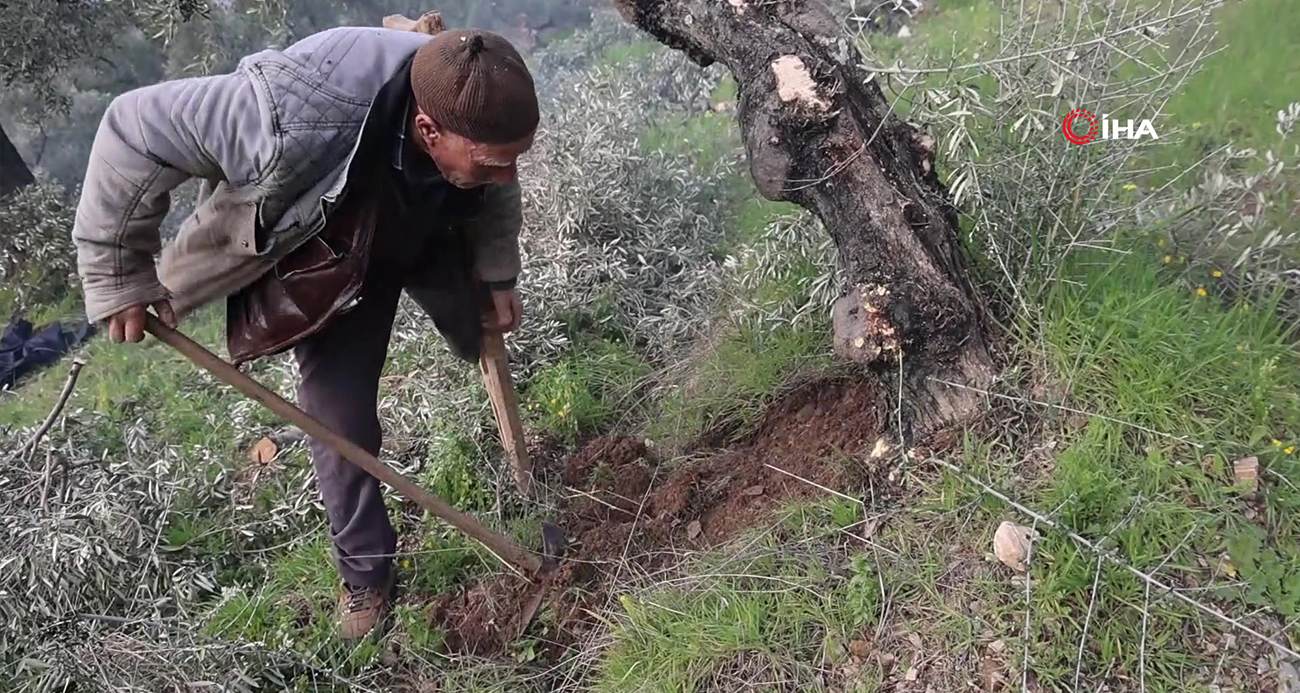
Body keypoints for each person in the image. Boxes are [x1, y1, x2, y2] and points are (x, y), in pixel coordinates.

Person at [70, 24, 539, 640]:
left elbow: (495, 176)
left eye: (513, 161)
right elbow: (132, 125)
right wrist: (116, 271)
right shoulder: (286, 114)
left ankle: (527, 484)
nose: (507, 177)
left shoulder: (473, 98)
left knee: (474, 319)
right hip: (332, 248)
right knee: (342, 421)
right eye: (492, 163)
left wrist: (497, 268)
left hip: (421, 219)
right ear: (428, 131)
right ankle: (367, 574)